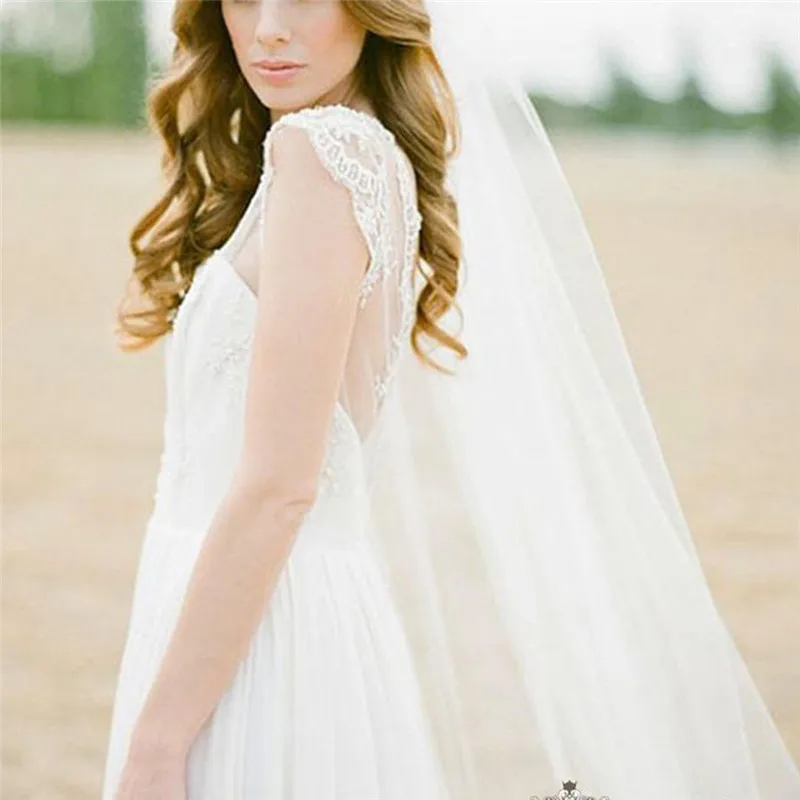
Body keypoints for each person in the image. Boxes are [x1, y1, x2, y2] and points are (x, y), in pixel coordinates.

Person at [103, 1, 800, 798]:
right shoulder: (358, 154)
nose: (267, 29)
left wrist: (161, 737)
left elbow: (279, 488)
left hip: (255, 638)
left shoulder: (321, 155)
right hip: (254, 613)